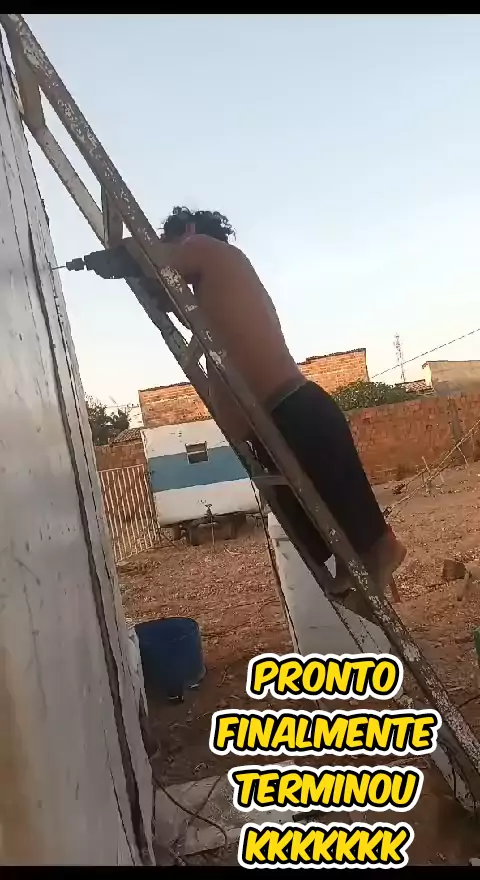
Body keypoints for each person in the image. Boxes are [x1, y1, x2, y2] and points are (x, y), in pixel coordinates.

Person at [153, 206, 406, 599]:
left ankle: (376, 554)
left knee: (370, 542)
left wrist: (126, 254)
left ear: (186, 230)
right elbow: (171, 294)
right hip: (284, 420)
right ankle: (355, 571)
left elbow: (163, 264)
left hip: (295, 413)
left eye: (168, 241)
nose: (167, 249)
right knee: (327, 534)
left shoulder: (203, 247)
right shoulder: (213, 292)